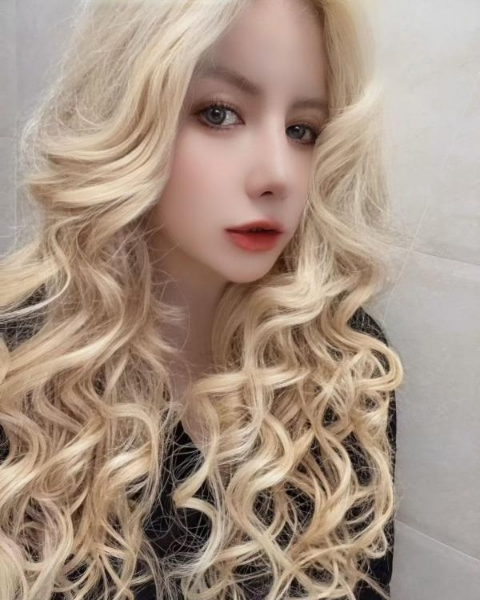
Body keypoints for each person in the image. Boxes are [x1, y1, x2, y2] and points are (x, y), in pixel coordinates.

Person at [0, 0, 403, 599]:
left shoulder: (343, 366)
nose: (277, 175)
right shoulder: (19, 365)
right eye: (219, 113)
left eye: (302, 130)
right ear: (131, 115)